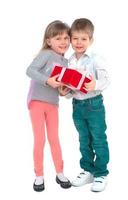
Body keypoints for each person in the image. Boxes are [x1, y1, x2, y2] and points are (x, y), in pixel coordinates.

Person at [60, 18, 110, 192]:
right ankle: (88, 170)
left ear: (91, 40)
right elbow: (71, 87)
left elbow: (106, 80)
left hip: (94, 105)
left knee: (98, 139)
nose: (79, 42)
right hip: (77, 105)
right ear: (71, 39)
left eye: (83, 39)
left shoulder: (95, 59)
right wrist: (65, 92)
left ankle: (101, 173)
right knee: (83, 140)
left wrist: (94, 85)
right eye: (75, 39)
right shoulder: (69, 61)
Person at [26, 20, 71, 192]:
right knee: (40, 139)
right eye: (58, 38)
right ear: (48, 40)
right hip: (37, 101)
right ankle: (39, 175)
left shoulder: (66, 63)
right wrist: (47, 80)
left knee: (54, 139)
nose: (63, 42)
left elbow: (60, 90)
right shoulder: (46, 53)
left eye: (66, 38)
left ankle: (60, 173)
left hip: (53, 104)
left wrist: (64, 91)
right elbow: (30, 70)